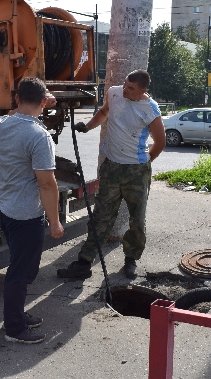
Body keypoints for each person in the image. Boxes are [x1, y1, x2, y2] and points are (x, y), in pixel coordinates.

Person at [57, 69, 166, 279]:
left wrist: (143, 163)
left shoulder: (150, 108)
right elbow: (104, 112)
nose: (125, 89)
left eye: (131, 88)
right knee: (100, 217)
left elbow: (160, 142)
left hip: (136, 172)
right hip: (111, 168)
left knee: (137, 219)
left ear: (142, 91)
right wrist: (87, 126)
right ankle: (83, 263)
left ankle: (131, 259)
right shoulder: (115, 93)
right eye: (125, 83)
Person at [0, 77, 64, 344]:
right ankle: (14, 328)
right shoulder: (39, 136)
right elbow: (47, 183)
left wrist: (41, 102)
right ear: (44, 102)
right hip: (26, 215)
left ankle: (17, 314)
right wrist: (55, 222)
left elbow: (15, 113)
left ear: (16, 98)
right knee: (20, 274)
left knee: (19, 269)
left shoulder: (0, 124)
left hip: (5, 206)